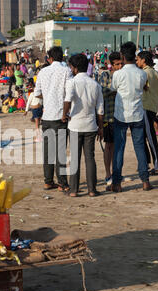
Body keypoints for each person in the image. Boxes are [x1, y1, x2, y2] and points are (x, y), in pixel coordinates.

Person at [106, 42, 152, 193]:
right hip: (137, 114)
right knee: (139, 148)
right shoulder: (142, 73)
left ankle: (117, 183)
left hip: (121, 114)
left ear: (122, 56)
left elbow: (113, 89)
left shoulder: (118, 74)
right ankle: (145, 180)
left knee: (119, 148)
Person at [62, 54, 103, 197]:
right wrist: (101, 127)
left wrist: (64, 114)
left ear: (74, 68)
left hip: (75, 125)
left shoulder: (72, 83)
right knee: (90, 157)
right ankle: (92, 189)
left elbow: (67, 100)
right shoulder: (95, 84)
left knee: (75, 158)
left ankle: (73, 190)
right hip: (91, 125)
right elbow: (100, 109)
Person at [34, 46, 72, 192]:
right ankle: (62, 182)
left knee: (48, 151)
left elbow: (37, 93)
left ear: (49, 58)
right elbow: (69, 93)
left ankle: (48, 181)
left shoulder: (43, 71)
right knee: (60, 152)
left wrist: (48, 96)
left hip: (47, 116)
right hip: (60, 116)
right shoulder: (66, 71)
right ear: (62, 57)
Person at [137, 51, 158, 175]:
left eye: (138, 59)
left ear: (143, 60)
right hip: (152, 108)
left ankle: (157, 166)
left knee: (150, 137)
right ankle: (145, 163)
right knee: (143, 137)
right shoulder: (157, 74)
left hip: (145, 108)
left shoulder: (144, 73)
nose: (137, 62)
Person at [101, 52, 122, 186]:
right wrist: (116, 89)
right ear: (111, 64)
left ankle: (116, 172)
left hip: (121, 117)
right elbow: (103, 91)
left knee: (118, 147)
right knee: (108, 146)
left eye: (121, 63)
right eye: (117, 64)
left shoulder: (123, 75)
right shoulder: (106, 75)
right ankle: (108, 173)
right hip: (108, 117)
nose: (120, 66)